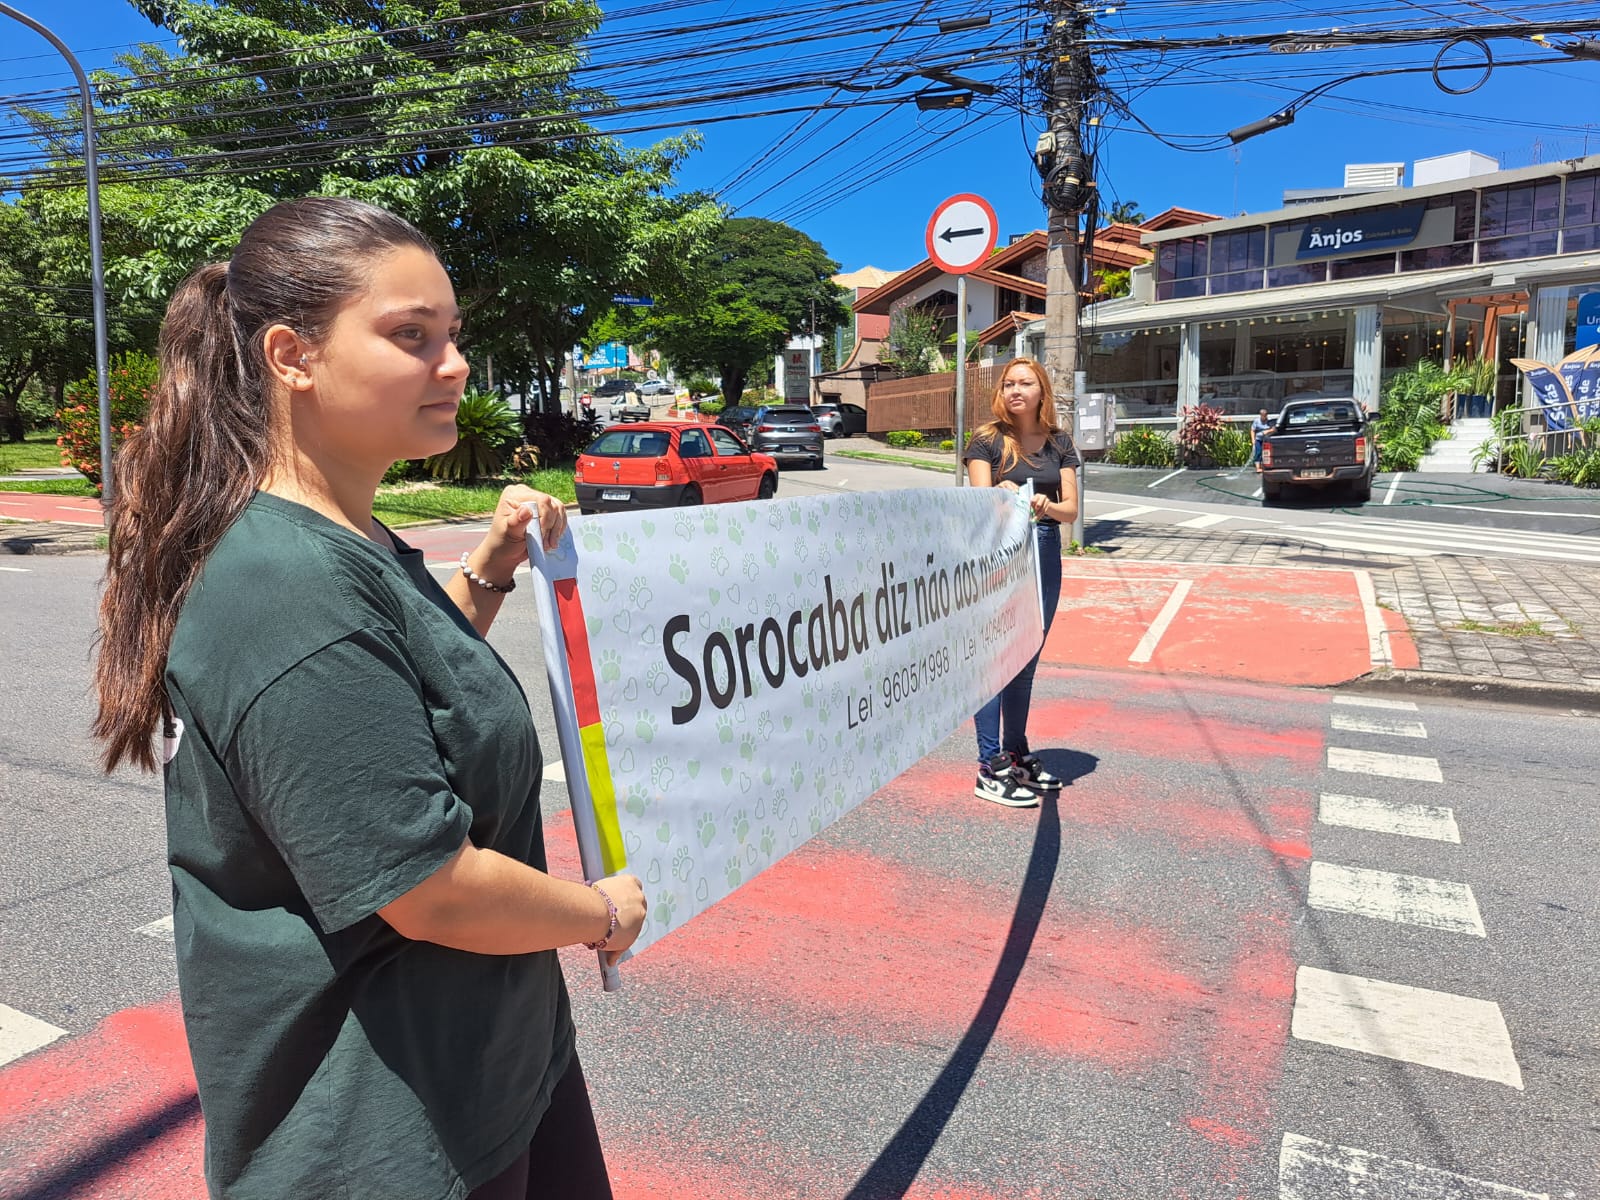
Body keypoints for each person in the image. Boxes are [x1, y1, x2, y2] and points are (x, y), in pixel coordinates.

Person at [91, 197, 645, 1200]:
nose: (456, 364)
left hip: (484, 1073)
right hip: (387, 1137)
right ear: (292, 356)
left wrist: (488, 567)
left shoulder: (349, 541)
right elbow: (428, 887)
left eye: (453, 335)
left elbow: (403, 696)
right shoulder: (283, 584)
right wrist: (599, 911)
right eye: (411, 335)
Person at [962, 358, 1081, 808]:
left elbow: (1070, 510)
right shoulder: (987, 440)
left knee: (1027, 655)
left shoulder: (1059, 442)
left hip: (1044, 546)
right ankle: (989, 765)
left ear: (1041, 391)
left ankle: (1016, 753)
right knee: (995, 657)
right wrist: (1005, 496)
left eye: (1025, 383)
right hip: (1000, 552)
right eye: (1008, 383)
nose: (1015, 390)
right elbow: (979, 502)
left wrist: (1046, 506)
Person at [1251, 407, 1274, 472]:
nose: (1264, 417)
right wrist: (1253, 439)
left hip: (1266, 440)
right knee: (1258, 452)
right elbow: (1252, 430)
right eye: (1262, 415)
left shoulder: (1269, 421)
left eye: (1265, 415)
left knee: (1266, 453)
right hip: (1258, 439)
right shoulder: (1256, 421)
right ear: (1260, 415)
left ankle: (1265, 466)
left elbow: (1274, 429)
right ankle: (1258, 468)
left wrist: (1267, 431)